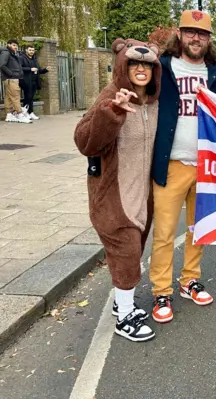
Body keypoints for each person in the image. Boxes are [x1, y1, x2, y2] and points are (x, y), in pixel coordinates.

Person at [74, 38, 161, 342]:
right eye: (135, 63)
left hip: (142, 194)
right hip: (114, 195)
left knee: (133, 252)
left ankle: (122, 303)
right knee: (126, 253)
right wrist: (111, 112)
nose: (141, 69)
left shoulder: (154, 102)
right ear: (124, 65)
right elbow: (85, 142)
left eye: (147, 64)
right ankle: (125, 317)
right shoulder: (110, 96)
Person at [149, 10, 216, 323]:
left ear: (209, 39)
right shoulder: (162, 68)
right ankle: (160, 291)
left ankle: (189, 280)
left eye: (203, 33)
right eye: (191, 32)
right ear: (179, 35)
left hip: (207, 165)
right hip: (172, 162)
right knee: (165, 232)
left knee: (199, 229)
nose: (196, 38)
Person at [0, 39, 31, 123]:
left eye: (16, 45)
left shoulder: (11, 54)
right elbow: (2, 65)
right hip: (11, 79)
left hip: (11, 79)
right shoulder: (6, 52)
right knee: (15, 96)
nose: (15, 47)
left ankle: (9, 115)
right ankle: (20, 114)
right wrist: (11, 74)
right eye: (14, 45)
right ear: (8, 45)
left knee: (9, 98)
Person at [19, 44, 48, 121]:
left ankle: (30, 112)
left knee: (31, 97)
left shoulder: (34, 59)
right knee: (28, 97)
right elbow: (20, 68)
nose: (31, 52)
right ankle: (26, 113)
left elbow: (38, 70)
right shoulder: (22, 58)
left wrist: (45, 69)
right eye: (30, 50)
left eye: (32, 50)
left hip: (34, 81)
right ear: (26, 50)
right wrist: (30, 69)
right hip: (26, 81)